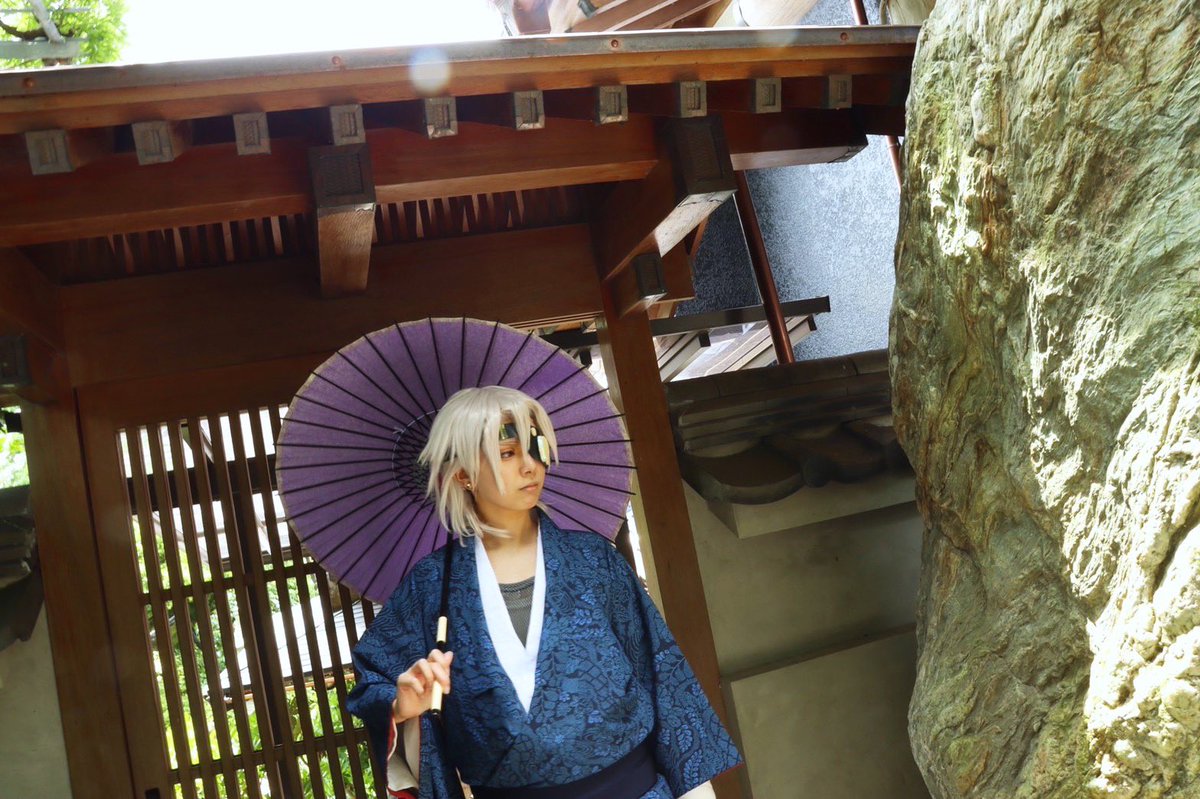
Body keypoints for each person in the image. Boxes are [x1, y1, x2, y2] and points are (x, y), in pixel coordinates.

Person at [346, 386, 742, 799]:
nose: (530, 466)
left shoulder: (593, 560)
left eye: (535, 448)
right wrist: (402, 706)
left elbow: (661, 673)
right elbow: (375, 679)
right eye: (507, 453)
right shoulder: (432, 585)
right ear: (463, 475)